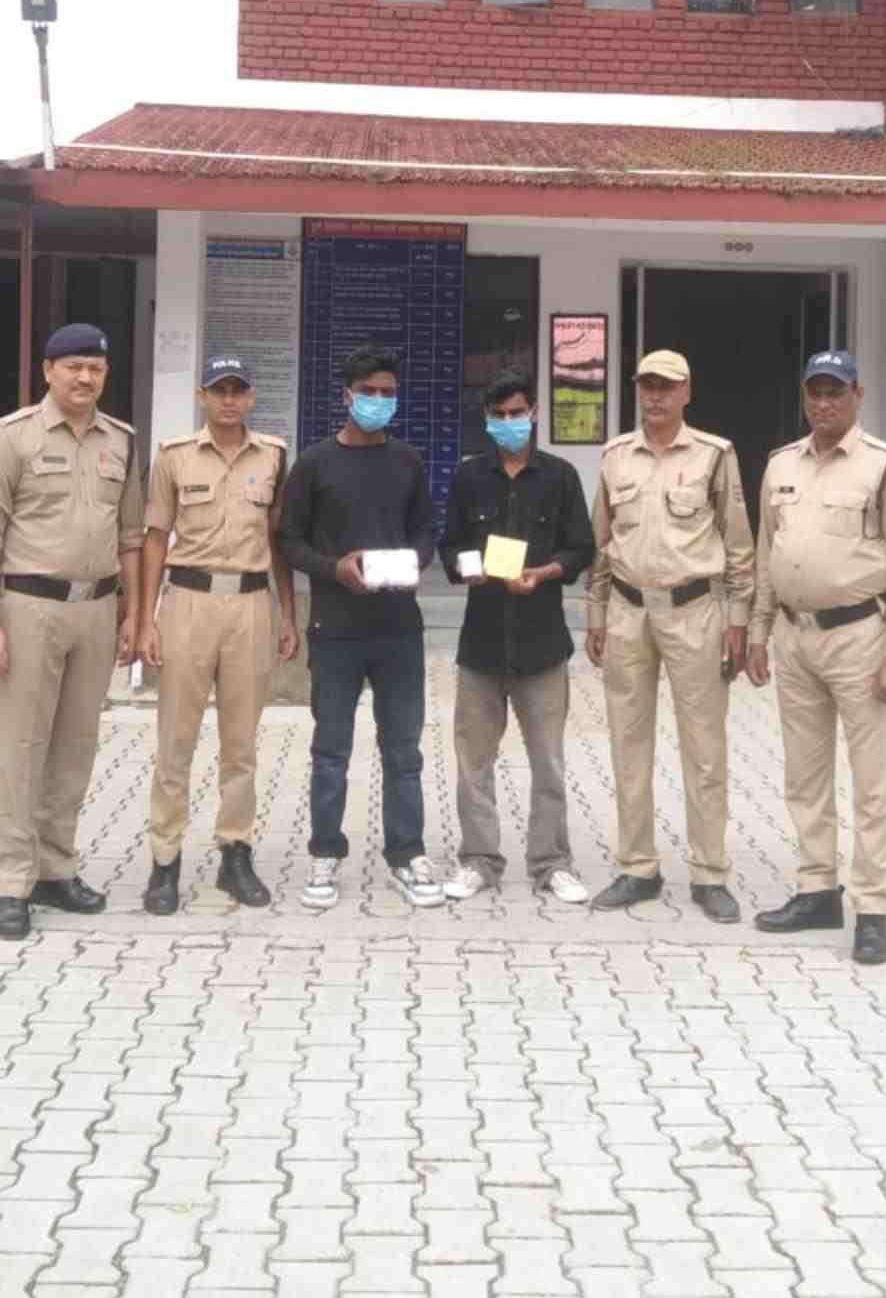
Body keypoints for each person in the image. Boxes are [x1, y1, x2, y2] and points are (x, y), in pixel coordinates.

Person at [586, 349, 755, 922]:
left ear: (687, 392)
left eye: (666, 386)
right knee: (628, 745)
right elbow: (602, 544)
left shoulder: (714, 455)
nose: (655, 396)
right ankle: (638, 867)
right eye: (647, 386)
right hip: (628, 613)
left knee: (704, 748)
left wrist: (738, 620)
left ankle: (709, 873)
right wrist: (596, 614)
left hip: (695, 613)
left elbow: (738, 545)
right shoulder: (615, 457)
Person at [278, 343, 442, 911]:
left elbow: (425, 532)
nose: (378, 400)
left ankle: (407, 853)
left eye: (387, 393)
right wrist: (334, 569)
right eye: (367, 391)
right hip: (336, 628)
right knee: (331, 750)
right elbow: (289, 540)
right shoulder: (314, 464)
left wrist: (411, 563)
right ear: (346, 396)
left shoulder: (408, 462)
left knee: (404, 751)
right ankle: (325, 852)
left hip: (398, 628)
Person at [749, 351, 886, 965]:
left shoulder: (885, 467)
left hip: (860, 637)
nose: (824, 403)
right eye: (815, 392)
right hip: (795, 637)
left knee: (872, 782)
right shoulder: (781, 464)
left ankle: (873, 908)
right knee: (804, 776)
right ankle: (817, 890)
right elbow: (767, 554)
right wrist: (757, 631)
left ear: (857, 395)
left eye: (836, 391)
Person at [138, 355, 298, 915]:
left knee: (241, 742)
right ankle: (165, 860)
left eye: (238, 390)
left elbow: (278, 541)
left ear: (251, 398)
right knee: (175, 740)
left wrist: (288, 613)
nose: (229, 400)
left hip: (251, 604)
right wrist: (145, 619)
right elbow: (155, 537)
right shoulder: (173, 456)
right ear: (202, 396)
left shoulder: (273, 456)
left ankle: (236, 852)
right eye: (219, 390)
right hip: (188, 602)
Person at [0, 323, 143, 941]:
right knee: (21, 745)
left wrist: (134, 613)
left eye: (96, 368)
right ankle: (11, 879)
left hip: (97, 610)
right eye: (74, 367)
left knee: (76, 745)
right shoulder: (13, 437)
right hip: (28, 608)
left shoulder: (122, 441)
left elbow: (131, 536)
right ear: (48, 371)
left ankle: (56, 868)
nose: (86, 378)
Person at [440, 367, 594, 902]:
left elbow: (581, 548)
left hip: (542, 644)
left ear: (535, 414)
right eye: (499, 415)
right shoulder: (468, 477)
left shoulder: (561, 476)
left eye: (517, 413)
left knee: (548, 763)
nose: (509, 422)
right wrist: (471, 570)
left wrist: (545, 573)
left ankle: (551, 863)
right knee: (473, 762)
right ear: (486, 419)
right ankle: (479, 860)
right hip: (481, 644)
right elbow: (449, 545)